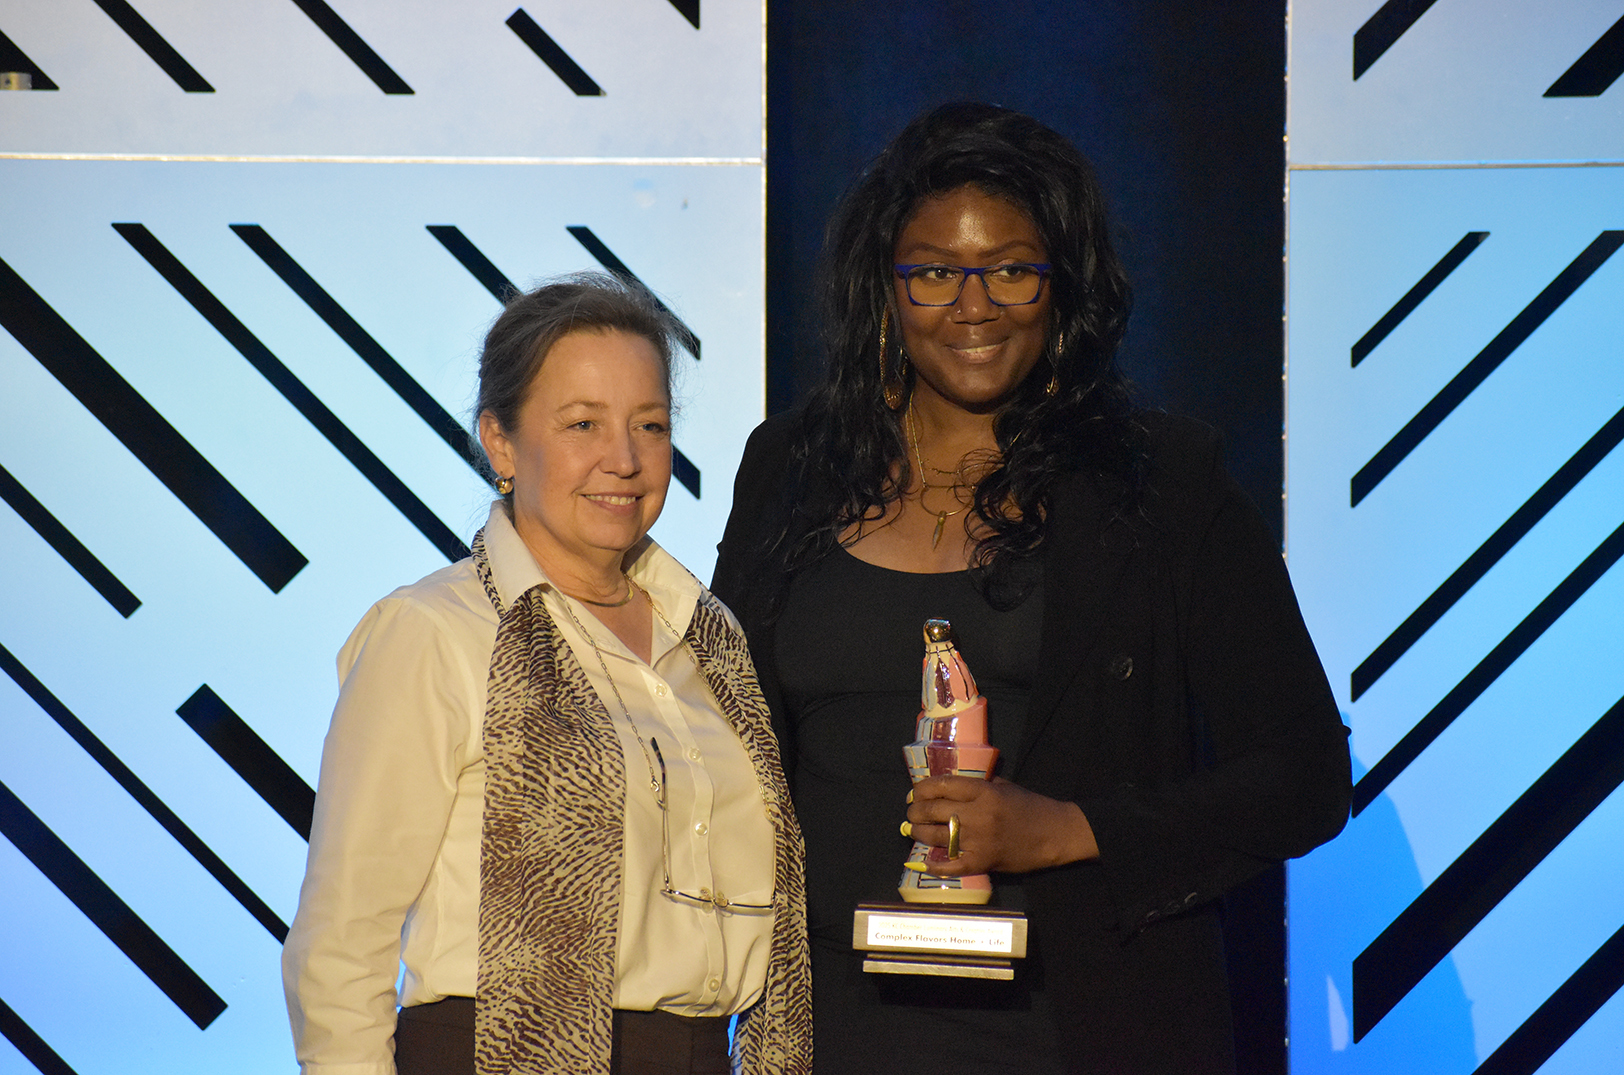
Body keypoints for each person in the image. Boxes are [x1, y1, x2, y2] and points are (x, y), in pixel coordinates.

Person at [710, 103, 1351, 1074]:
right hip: (830, 1027)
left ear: (1063, 287)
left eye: (1011, 268)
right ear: (882, 289)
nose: (973, 305)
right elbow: (723, 739)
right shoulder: (790, 468)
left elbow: (1302, 776)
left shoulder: (1160, 484)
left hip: (1086, 1023)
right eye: (932, 272)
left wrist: (1070, 830)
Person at [283, 273, 812, 1075]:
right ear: (501, 442)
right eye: (582, 424)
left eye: (651, 424)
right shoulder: (435, 632)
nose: (625, 459)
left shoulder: (712, 642)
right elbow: (339, 946)